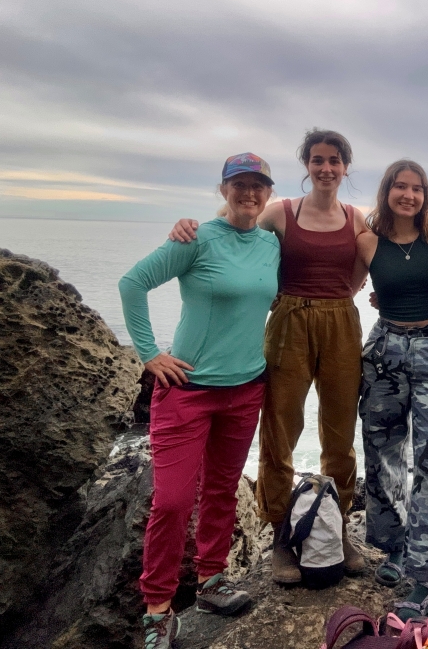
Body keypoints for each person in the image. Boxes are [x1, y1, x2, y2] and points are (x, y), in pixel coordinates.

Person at [168, 129, 371, 584]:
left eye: (334, 160)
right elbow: (233, 227)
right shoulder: (281, 213)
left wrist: (336, 302)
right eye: (317, 160)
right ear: (306, 166)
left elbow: (359, 275)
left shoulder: (358, 219)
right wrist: (191, 227)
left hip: (341, 323)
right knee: (280, 426)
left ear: (345, 167)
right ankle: (282, 533)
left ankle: (334, 527)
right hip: (289, 321)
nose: (326, 168)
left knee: (340, 429)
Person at [119, 153, 281, 649]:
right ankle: (157, 608)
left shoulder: (273, 244)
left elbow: (328, 221)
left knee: (222, 489)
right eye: (240, 184)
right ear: (223, 189)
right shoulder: (196, 238)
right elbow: (132, 283)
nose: (249, 193)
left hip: (247, 387)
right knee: (171, 502)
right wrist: (149, 354)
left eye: (258, 185)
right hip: (186, 391)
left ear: (268, 192)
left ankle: (212, 580)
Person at [356, 159, 428, 620]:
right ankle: (392, 546)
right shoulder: (366, 240)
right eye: (400, 186)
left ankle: (424, 574)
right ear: (387, 191)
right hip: (384, 350)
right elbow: (342, 284)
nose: (409, 195)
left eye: (417, 188)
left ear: (426, 196)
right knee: (381, 453)